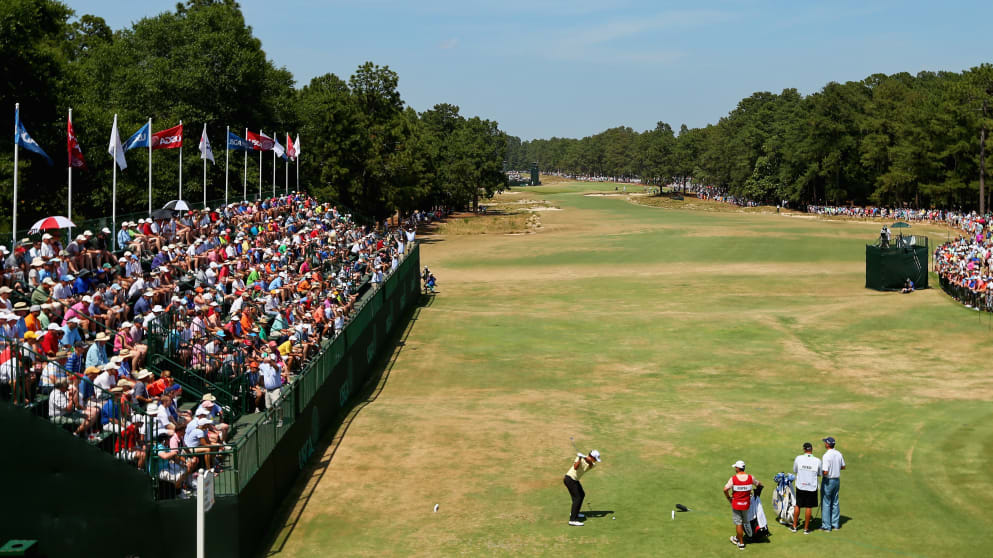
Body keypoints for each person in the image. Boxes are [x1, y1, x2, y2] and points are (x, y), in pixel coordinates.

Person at [724, 460, 763, 550]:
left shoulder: (733, 478)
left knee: (738, 523)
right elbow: (759, 484)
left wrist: (729, 498)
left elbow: (725, 489)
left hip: (736, 504)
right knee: (745, 522)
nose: (735, 469)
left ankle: (741, 543)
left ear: (738, 468)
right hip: (746, 504)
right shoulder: (750, 477)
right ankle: (739, 537)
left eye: (735, 467)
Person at [563, 449, 601, 526]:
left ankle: (575, 512)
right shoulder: (579, 458)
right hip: (569, 479)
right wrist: (580, 458)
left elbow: (590, 463)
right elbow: (575, 467)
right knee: (577, 498)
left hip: (575, 480)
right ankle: (572, 520)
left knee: (581, 495)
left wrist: (584, 458)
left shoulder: (592, 464)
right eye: (595, 459)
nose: (596, 461)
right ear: (592, 457)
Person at [791, 442, 821, 534]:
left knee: (798, 505)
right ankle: (806, 529)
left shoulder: (798, 458)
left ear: (804, 449)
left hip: (801, 485)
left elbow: (795, 470)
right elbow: (819, 474)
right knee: (809, 506)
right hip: (811, 486)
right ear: (811, 450)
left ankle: (794, 527)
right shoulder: (817, 460)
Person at [821, 436, 846, 532]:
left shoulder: (826, 455)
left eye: (825, 443)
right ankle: (835, 524)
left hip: (828, 481)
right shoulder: (839, 453)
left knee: (826, 502)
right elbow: (843, 466)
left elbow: (825, 472)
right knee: (835, 501)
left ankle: (827, 526)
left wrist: (820, 474)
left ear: (827, 444)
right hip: (836, 480)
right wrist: (835, 468)